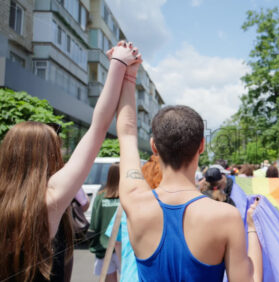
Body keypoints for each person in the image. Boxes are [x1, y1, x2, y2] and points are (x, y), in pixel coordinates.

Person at [0, 43, 137, 281]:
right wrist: (119, 65)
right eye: (57, 148)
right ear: (47, 157)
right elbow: (98, 128)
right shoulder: (47, 201)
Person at [115, 73, 263, 282]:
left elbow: (127, 134)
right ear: (201, 146)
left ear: (154, 147)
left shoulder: (134, 202)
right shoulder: (227, 217)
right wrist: (253, 229)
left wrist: (128, 75)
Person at [90, 163, 121, 282]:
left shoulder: (100, 197)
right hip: (123, 246)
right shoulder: (126, 196)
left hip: (103, 246)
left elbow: (94, 223)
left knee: (110, 278)